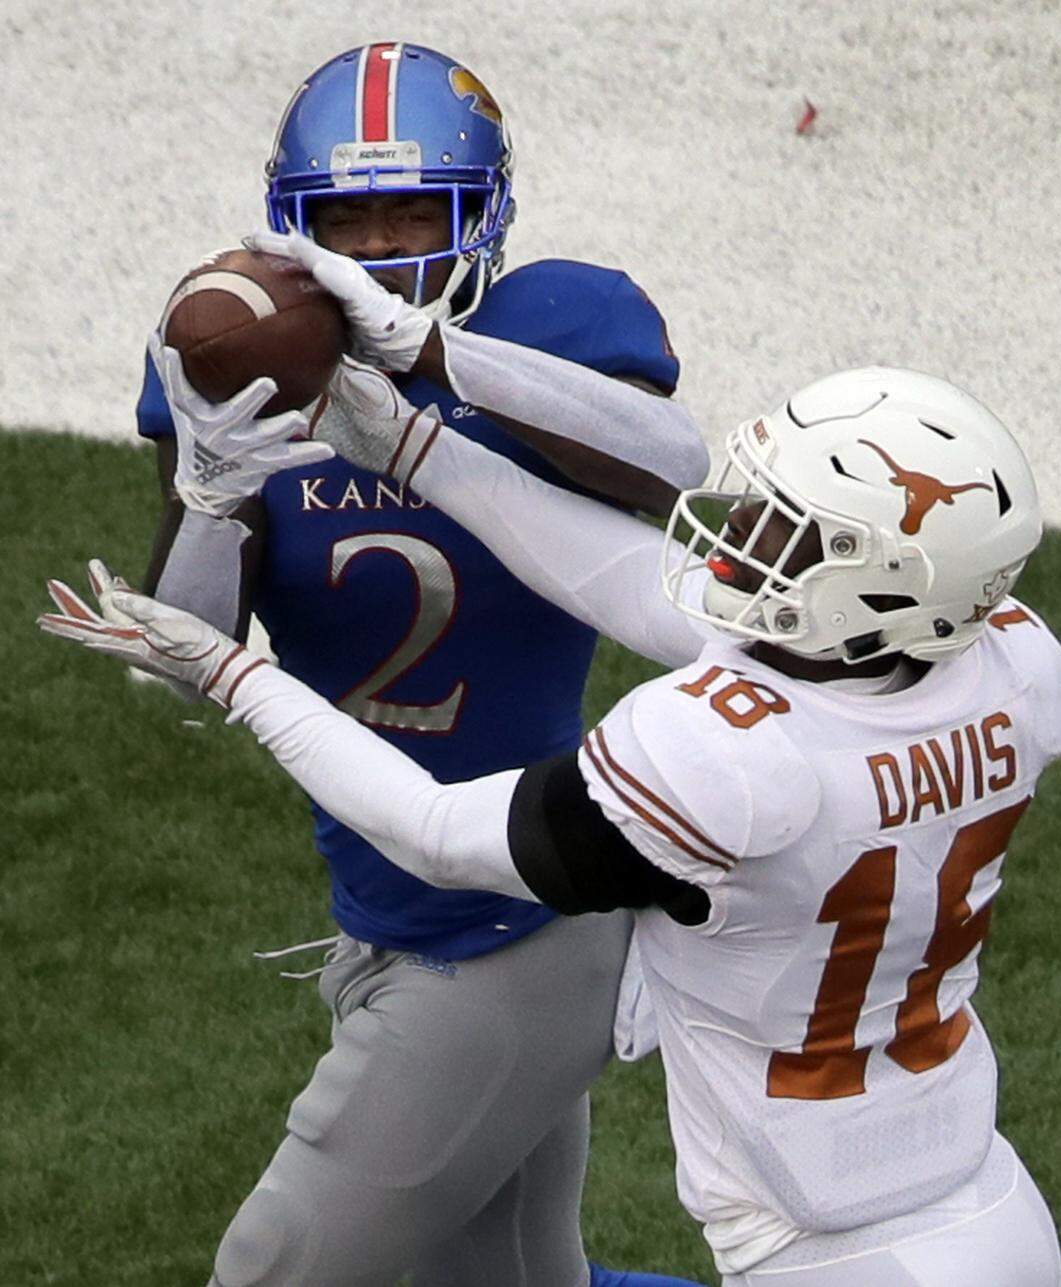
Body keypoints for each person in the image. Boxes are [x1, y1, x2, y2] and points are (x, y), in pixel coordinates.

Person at [44, 271, 1061, 1282]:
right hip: (977, 1188)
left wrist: (234, 674)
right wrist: (409, 445)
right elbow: (626, 579)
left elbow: (437, 832)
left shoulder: (727, 754)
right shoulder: (1014, 664)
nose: (745, 529)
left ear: (878, 587)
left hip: (831, 1245)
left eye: (790, 531)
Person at [132, 41, 708, 1287]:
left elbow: (676, 472)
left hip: (515, 919)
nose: (382, 244)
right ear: (294, 224)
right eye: (349, 215)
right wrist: (211, 484)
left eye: (414, 211)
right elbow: (181, 667)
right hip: (388, 905)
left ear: (483, 212)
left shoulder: (557, 328)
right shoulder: (237, 355)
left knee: (270, 1271)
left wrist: (433, 360)